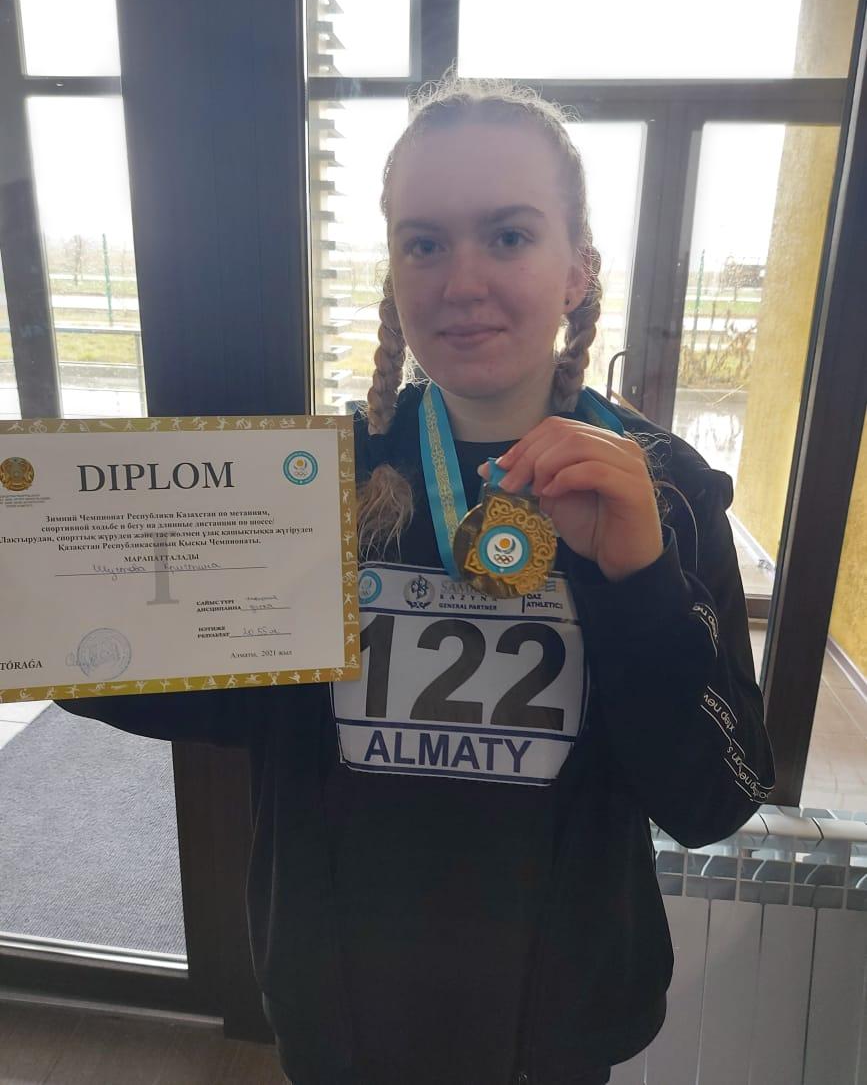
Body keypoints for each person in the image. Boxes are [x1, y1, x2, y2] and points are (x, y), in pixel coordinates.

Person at [56, 77, 776, 1085]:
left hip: (556, 1027)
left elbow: (714, 796)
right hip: (340, 1014)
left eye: (509, 236)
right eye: (424, 243)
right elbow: (221, 699)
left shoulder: (663, 491)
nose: (461, 280)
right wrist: (53, 614)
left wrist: (640, 581)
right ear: (393, 272)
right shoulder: (309, 484)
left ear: (578, 268)